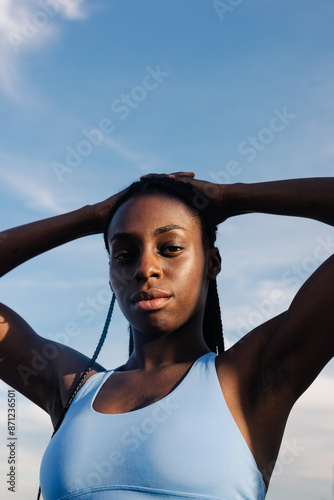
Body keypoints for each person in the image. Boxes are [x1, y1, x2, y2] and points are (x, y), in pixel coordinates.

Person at [0, 172, 333, 500]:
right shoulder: (71, 389)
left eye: (170, 247)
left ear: (212, 263)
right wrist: (93, 216)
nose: (145, 268)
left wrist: (229, 197)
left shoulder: (251, 378)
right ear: (111, 274)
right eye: (124, 254)